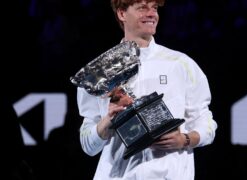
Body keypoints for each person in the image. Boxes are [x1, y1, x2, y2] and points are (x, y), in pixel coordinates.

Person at [76, 0, 217, 179]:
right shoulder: (98, 74)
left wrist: (185, 140)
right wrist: (108, 120)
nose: (152, 14)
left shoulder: (181, 64)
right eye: (142, 8)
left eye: (155, 8)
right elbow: (88, 146)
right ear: (121, 13)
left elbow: (207, 124)